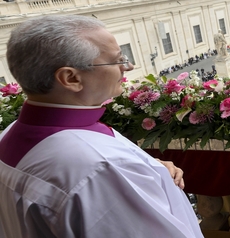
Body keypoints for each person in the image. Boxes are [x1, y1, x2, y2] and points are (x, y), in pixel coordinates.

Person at [0, 15, 202, 237]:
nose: (128, 66)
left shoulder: (9, 135)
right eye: (117, 60)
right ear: (71, 78)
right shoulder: (102, 168)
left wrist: (147, 168)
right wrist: (125, 172)